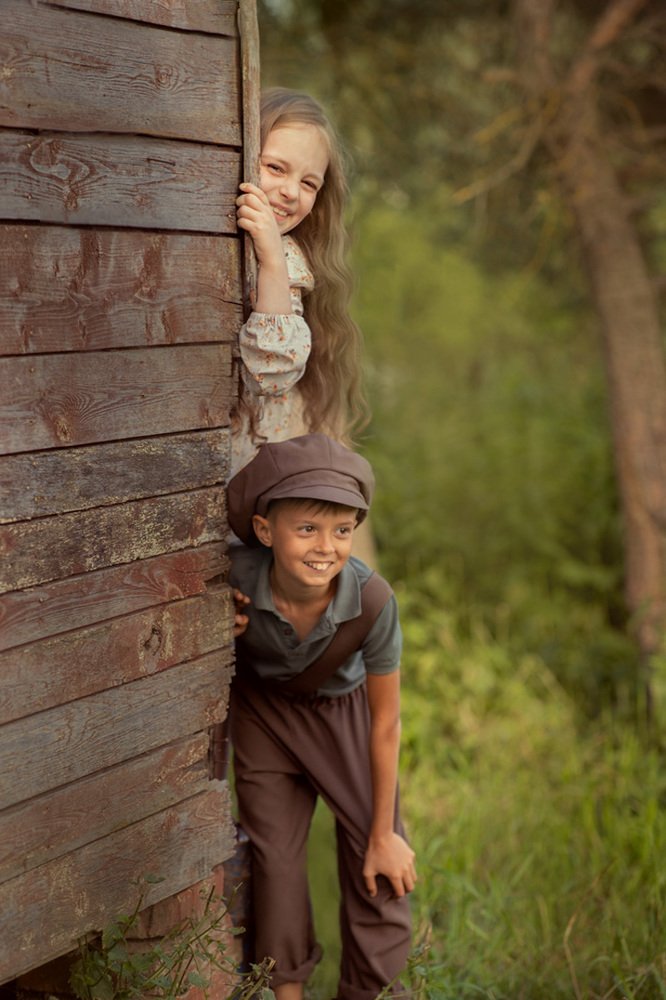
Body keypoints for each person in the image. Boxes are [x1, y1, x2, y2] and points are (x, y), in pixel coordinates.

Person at [227, 433, 416, 1000]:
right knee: (275, 860)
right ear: (266, 531)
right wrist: (211, 622)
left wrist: (382, 831)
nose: (325, 547)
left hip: (346, 718)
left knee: (380, 857)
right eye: (306, 528)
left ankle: (372, 992)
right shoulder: (231, 579)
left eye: (341, 530)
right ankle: (285, 990)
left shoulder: (374, 602)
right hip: (264, 719)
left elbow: (386, 723)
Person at [232, 88, 367, 478]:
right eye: (275, 168)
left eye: (309, 184)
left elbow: (273, 371)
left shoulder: (286, 258)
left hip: (250, 472)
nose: (290, 192)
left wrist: (272, 260)